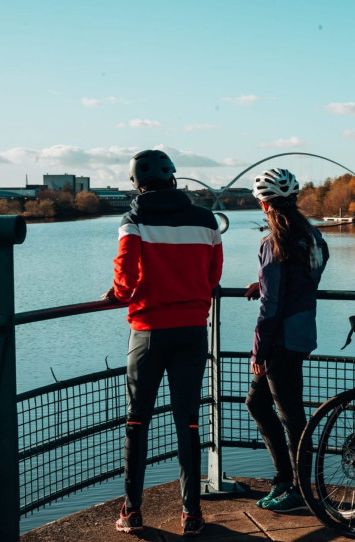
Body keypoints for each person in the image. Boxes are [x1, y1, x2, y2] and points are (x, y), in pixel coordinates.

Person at [103, 149, 223, 536]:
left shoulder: (133, 218)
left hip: (149, 330)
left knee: (137, 421)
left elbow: (125, 274)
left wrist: (121, 294)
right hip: (192, 329)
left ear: (136, 183)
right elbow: (213, 274)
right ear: (174, 177)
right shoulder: (206, 219)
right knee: (188, 421)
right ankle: (192, 515)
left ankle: (132, 512)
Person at [244, 168, 328, 513]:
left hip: (279, 340)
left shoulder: (272, 243)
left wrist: (258, 351)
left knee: (292, 417)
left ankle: (302, 492)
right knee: (259, 404)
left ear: (264, 205)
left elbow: (272, 305)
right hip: (303, 332)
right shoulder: (313, 237)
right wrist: (262, 282)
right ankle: (285, 479)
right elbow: (299, 283)